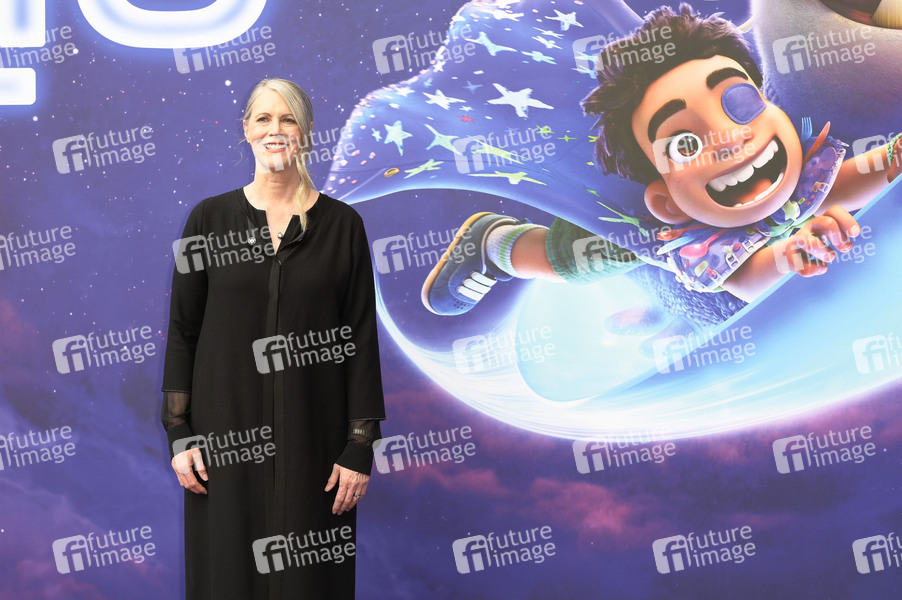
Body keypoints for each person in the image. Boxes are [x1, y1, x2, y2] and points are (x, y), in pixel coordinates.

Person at [422, 4, 902, 317]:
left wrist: (890, 159)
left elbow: (838, 183)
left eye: (739, 103)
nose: (731, 140)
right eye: (686, 143)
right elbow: (748, 279)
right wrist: (792, 255)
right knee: (580, 257)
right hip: (635, 218)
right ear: (667, 201)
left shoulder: (787, 160)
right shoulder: (671, 225)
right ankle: (495, 244)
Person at [161, 77, 386, 599]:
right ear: (246, 130)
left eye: (288, 119)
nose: (275, 129)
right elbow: (183, 328)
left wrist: (360, 444)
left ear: (306, 131)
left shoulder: (344, 226)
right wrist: (178, 431)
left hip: (316, 446)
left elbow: (359, 338)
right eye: (263, 118)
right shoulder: (207, 219)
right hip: (222, 447)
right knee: (227, 580)